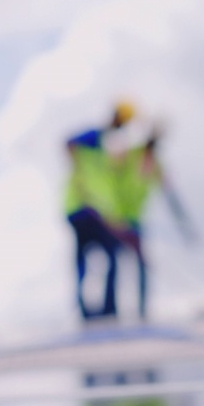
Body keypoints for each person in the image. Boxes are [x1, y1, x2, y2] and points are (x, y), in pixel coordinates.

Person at [113, 125, 196, 321]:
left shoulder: (156, 164)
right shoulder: (130, 155)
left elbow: (170, 194)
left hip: (136, 219)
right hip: (116, 217)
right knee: (115, 263)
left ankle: (141, 310)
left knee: (141, 263)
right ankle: (112, 311)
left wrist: (184, 223)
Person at [65, 102, 136, 321]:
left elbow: (109, 190)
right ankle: (88, 310)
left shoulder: (110, 151)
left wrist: (115, 218)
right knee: (84, 261)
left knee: (108, 259)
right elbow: (68, 143)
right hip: (81, 210)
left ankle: (106, 309)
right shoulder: (96, 137)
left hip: (100, 215)